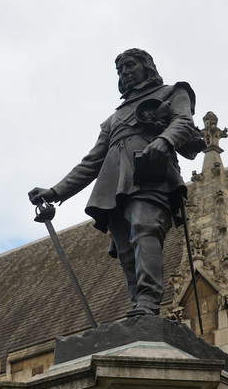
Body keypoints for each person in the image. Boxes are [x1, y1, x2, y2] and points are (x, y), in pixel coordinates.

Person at [28, 48, 202, 317]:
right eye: (120, 70)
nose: (125, 73)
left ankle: (148, 301)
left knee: (145, 227)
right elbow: (92, 162)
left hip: (150, 176)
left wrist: (163, 140)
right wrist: (55, 191)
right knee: (125, 248)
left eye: (130, 65)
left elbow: (184, 122)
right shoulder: (113, 119)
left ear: (146, 66)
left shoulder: (172, 92)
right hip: (114, 189)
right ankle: (138, 307)